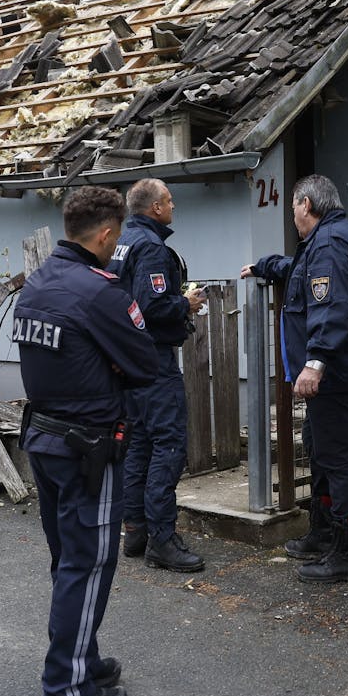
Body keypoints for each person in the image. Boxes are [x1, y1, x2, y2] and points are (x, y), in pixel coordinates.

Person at [14, 185, 157, 696]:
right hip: (87, 450)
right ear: (106, 235)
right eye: (116, 236)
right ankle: (65, 690)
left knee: (68, 561)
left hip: (45, 442)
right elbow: (143, 363)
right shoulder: (100, 292)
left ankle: (83, 659)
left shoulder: (37, 283)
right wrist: (113, 363)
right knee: (88, 563)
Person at [241, 174, 348, 583]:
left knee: (337, 459)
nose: (292, 217)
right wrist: (264, 267)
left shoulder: (329, 244)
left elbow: (332, 306)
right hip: (344, 370)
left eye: (292, 209)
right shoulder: (334, 239)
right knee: (320, 449)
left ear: (306, 204)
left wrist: (315, 362)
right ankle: (323, 531)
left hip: (338, 374)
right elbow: (298, 271)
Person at [107, 178, 207, 572]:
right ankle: (162, 541)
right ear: (155, 209)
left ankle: (136, 531)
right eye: (169, 201)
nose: (173, 205)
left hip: (127, 362)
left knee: (139, 446)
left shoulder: (120, 242)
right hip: (152, 362)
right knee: (167, 446)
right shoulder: (150, 247)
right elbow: (151, 306)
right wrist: (185, 302)